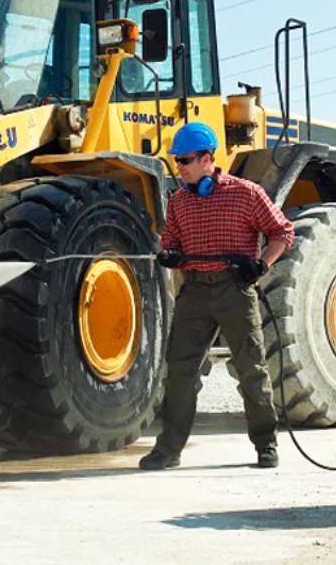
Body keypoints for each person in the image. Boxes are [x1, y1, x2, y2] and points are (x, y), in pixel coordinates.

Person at [140, 122, 294, 471]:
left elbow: (283, 232)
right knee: (179, 373)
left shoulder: (247, 193)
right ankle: (168, 451)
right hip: (194, 292)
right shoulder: (178, 202)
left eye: (186, 160)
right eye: (177, 161)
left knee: (251, 369)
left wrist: (261, 265)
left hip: (235, 292)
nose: (179, 167)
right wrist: (171, 255)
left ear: (208, 159)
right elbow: (170, 244)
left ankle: (265, 445)